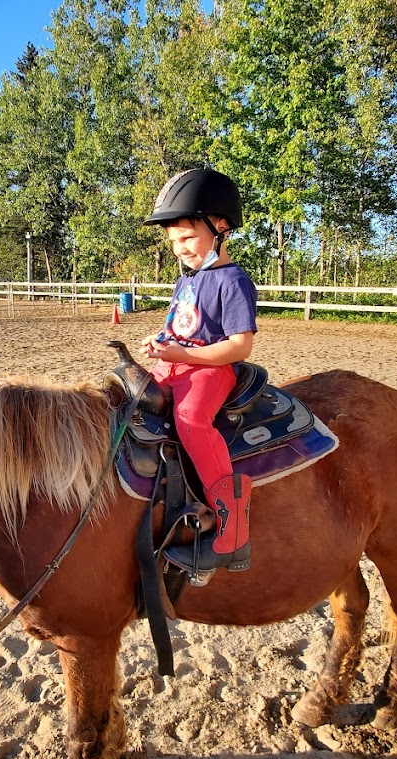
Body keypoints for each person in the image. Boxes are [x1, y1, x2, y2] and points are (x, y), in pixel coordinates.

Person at [139, 168, 258, 575]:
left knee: (190, 418)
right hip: (177, 361)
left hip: (213, 367)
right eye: (174, 242)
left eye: (188, 238)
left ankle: (232, 524)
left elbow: (240, 345)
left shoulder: (232, 280)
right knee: (132, 401)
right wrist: (160, 342)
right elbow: (179, 327)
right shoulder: (187, 280)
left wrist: (186, 355)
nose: (180, 249)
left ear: (221, 227)